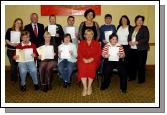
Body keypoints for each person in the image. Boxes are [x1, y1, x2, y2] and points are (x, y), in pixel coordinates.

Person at [77, 29, 101, 96]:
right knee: (82, 66)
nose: (89, 35)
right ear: (84, 35)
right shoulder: (81, 43)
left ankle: (89, 86)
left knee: (91, 66)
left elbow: (99, 53)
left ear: (93, 35)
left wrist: (92, 59)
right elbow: (79, 53)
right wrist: (83, 59)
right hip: (83, 59)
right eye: (87, 34)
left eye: (91, 34)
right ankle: (85, 87)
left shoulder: (96, 43)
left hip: (94, 60)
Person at [128, 15, 149, 84]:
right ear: (135, 21)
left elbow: (146, 38)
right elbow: (129, 37)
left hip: (141, 49)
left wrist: (137, 42)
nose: (139, 21)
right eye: (138, 20)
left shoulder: (145, 28)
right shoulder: (132, 28)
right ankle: (132, 77)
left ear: (142, 22)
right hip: (132, 49)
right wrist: (129, 41)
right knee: (132, 64)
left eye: (141, 20)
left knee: (141, 65)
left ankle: (141, 79)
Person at [5, 18, 23, 82]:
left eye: (20, 23)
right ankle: (14, 78)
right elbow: (6, 40)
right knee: (13, 65)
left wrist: (19, 44)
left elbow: (23, 41)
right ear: (14, 23)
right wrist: (12, 44)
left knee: (18, 64)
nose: (19, 24)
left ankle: (17, 76)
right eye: (17, 22)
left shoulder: (22, 32)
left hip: (19, 50)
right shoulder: (9, 30)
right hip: (10, 50)